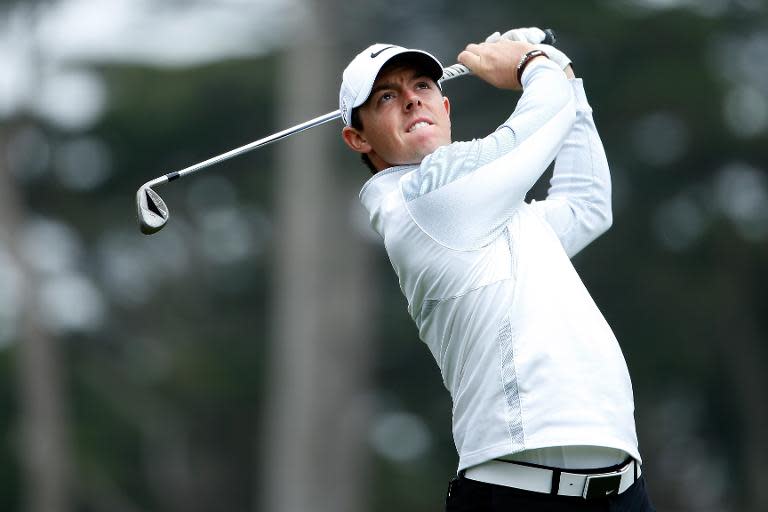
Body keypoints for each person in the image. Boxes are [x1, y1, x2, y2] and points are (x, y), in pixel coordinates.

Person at [339, 28, 655, 511]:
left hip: (623, 492)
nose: (410, 101)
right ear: (358, 137)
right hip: (516, 494)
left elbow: (587, 205)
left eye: (422, 86)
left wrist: (559, 70)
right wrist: (534, 62)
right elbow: (539, 122)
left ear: (445, 109)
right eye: (386, 96)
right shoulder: (427, 196)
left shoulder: (497, 213)